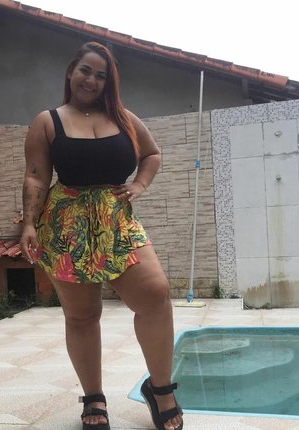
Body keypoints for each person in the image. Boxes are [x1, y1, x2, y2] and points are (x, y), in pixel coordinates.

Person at [19, 41, 183, 430]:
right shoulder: (48, 121)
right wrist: (29, 223)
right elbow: (36, 176)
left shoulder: (124, 119)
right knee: (81, 315)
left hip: (117, 220)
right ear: (71, 72)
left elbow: (152, 154)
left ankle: (160, 389)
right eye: (85, 70)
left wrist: (140, 184)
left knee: (155, 294)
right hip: (66, 224)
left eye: (100, 75)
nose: (91, 80)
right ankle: (93, 397)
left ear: (109, 82)